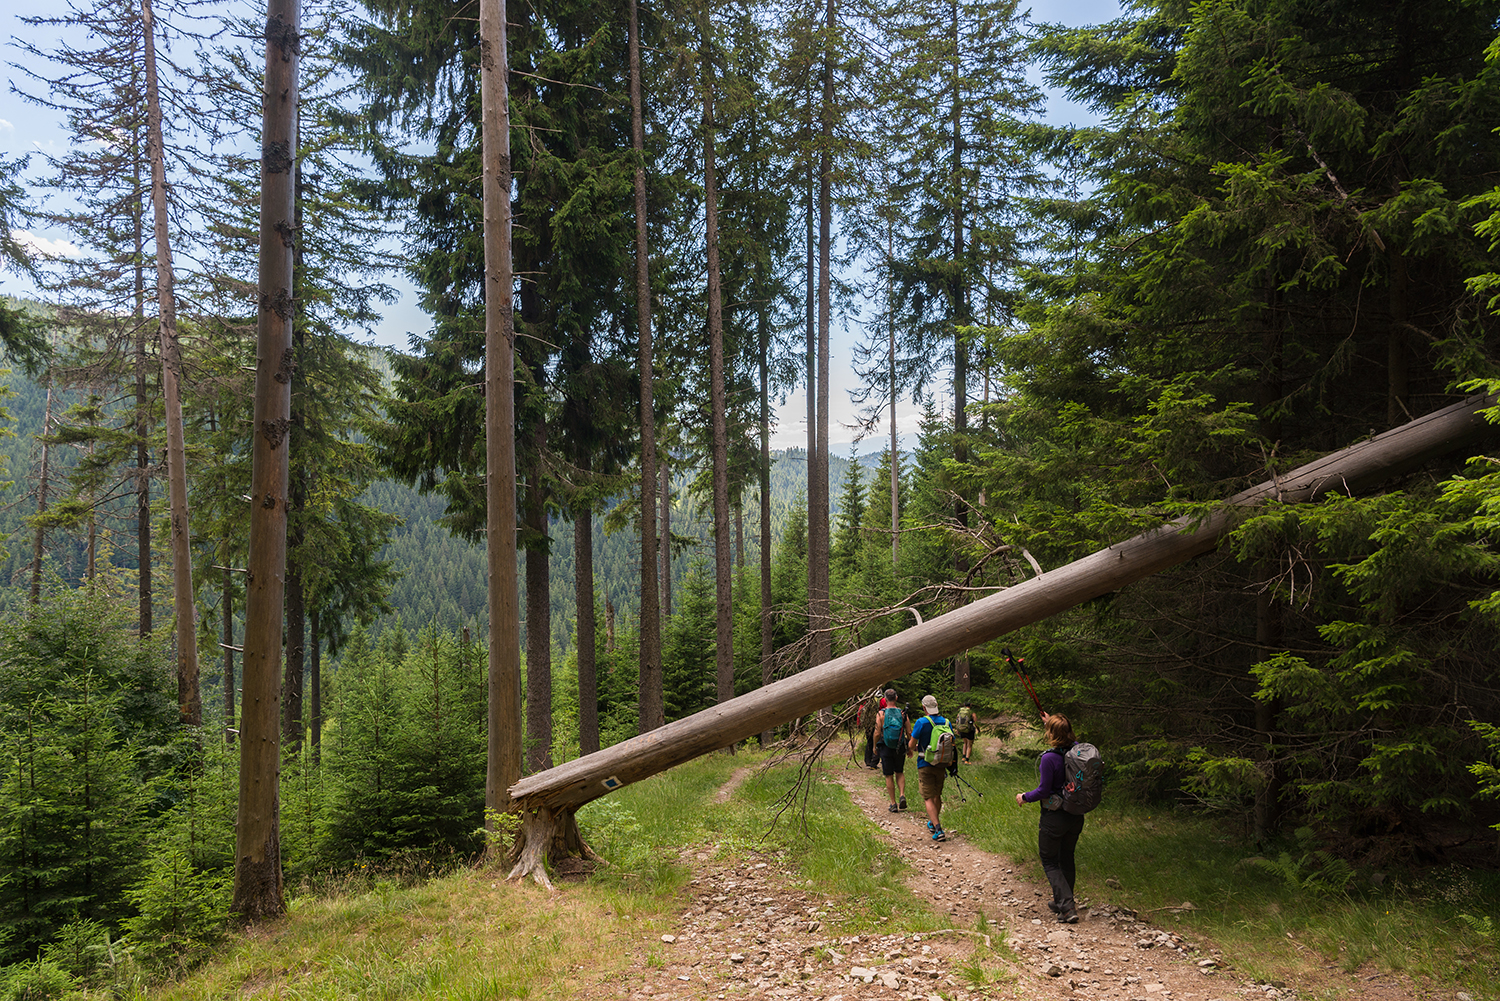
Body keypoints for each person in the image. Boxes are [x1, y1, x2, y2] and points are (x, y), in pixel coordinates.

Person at [1015, 712, 1085, 923]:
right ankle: (1063, 900)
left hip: (1054, 818)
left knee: (1049, 861)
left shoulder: (1049, 758)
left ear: (1051, 734)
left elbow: (1043, 791)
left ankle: (1067, 908)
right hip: (1075, 815)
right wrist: (1054, 724)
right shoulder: (1079, 752)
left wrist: (1024, 797)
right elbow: (1070, 738)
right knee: (1067, 857)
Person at [909, 694, 950, 842]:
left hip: (925, 764)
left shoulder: (921, 722)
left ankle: (938, 829)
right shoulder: (946, 722)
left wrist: (912, 749)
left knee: (927, 797)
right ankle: (933, 822)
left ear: (924, 708)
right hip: (941, 764)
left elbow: (911, 745)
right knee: (937, 795)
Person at [875, 689, 909, 811]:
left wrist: (874, 746)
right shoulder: (902, 713)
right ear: (896, 697)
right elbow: (909, 731)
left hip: (885, 746)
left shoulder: (881, 714)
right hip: (899, 746)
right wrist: (909, 747)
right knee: (899, 771)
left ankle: (893, 803)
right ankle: (902, 795)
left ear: (885, 699)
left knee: (888, 775)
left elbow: (877, 732)